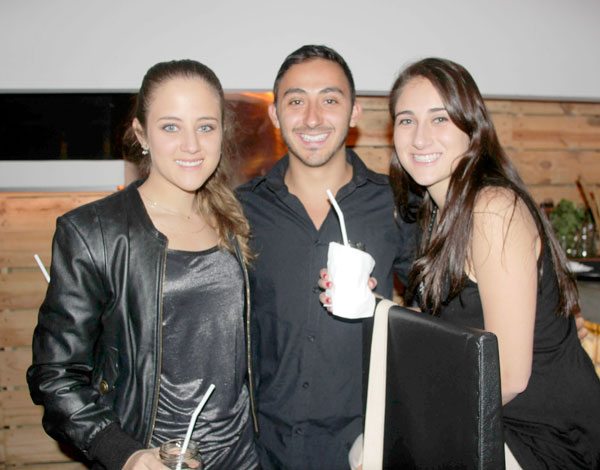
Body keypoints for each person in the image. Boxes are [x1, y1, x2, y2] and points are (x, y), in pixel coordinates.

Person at [27, 60, 259, 470]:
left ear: (222, 132)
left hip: (244, 457)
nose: (191, 145)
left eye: (205, 127)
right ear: (141, 134)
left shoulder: (238, 219)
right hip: (154, 457)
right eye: (171, 127)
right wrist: (124, 452)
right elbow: (56, 374)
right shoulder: (95, 232)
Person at [382, 57, 600, 468]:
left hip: (549, 436)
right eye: (406, 120)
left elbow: (510, 375)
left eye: (440, 118)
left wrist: (412, 426)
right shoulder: (435, 211)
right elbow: (451, 326)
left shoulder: (492, 209)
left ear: (473, 128)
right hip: (498, 418)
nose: (420, 137)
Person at [236, 45, 415, 469]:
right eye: (296, 101)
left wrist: (382, 308)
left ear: (354, 112)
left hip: (363, 450)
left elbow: (439, 312)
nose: (313, 118)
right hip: (262, 450)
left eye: (330, 100)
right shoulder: (240, 209)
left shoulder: (396, 205)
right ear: (276, 114)